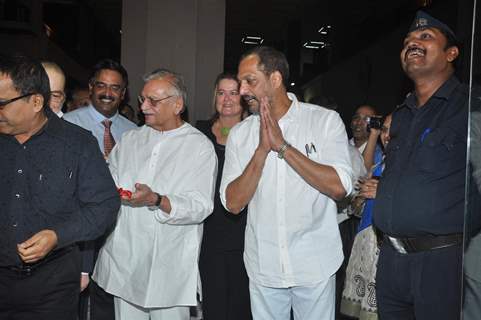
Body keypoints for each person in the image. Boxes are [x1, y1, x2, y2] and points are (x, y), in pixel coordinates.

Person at [220, 46, 353, 320]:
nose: (242, 90)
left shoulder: (324, 121)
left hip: (314, 264)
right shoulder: (240, 135)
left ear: (276, 79)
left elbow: (340, 186)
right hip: (263, 267)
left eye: (250, 81)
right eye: (241, 82)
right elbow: (233, 203)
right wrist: (261, 151)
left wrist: (282, 147)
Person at [0, 54, 119, 319]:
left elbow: (104, 206)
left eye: (2, 104)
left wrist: (58, 235)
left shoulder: (77, 144)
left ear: (35, 101)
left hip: (52, 286)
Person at [92, 68, 217, 320]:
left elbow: (201, 206)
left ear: (177, 104)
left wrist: (156, 200)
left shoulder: (198, 146)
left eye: (153, 101)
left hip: (168, 267)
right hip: (125, 259)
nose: (144, 107)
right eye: (142, 100)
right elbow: (110, 182)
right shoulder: (130, 140)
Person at [373, 11, 466, 319]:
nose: (412, 42)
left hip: (442, 264)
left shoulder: (470, 108)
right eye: (407, 41)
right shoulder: (400, 116)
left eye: (425, 37)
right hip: (391, 261)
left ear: (451, 53)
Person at [63, 59, 137, 320]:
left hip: (118, 228)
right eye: (102, 86)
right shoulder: (66, 126)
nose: (108, 93)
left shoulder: (134, 133)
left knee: (110, 302)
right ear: (91, 87)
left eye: (115, 88)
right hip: (76, 232)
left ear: (124, 92)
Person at [196, 73, 251, 320]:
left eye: (233, 93)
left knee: (242, 307)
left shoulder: (256, 134)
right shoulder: (197, 133)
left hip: (246, 231)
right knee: (214, 306)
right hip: (208, 232)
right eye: (221, 92)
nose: (227, 99)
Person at [341, 114, 392, 320]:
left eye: (391, 130)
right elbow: (355, 209)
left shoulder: (409, 164)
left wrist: (384, 191)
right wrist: (361, 198)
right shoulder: (378, 165)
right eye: (385, 130)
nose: (386, 135)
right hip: (365, 239)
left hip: (386, 243)